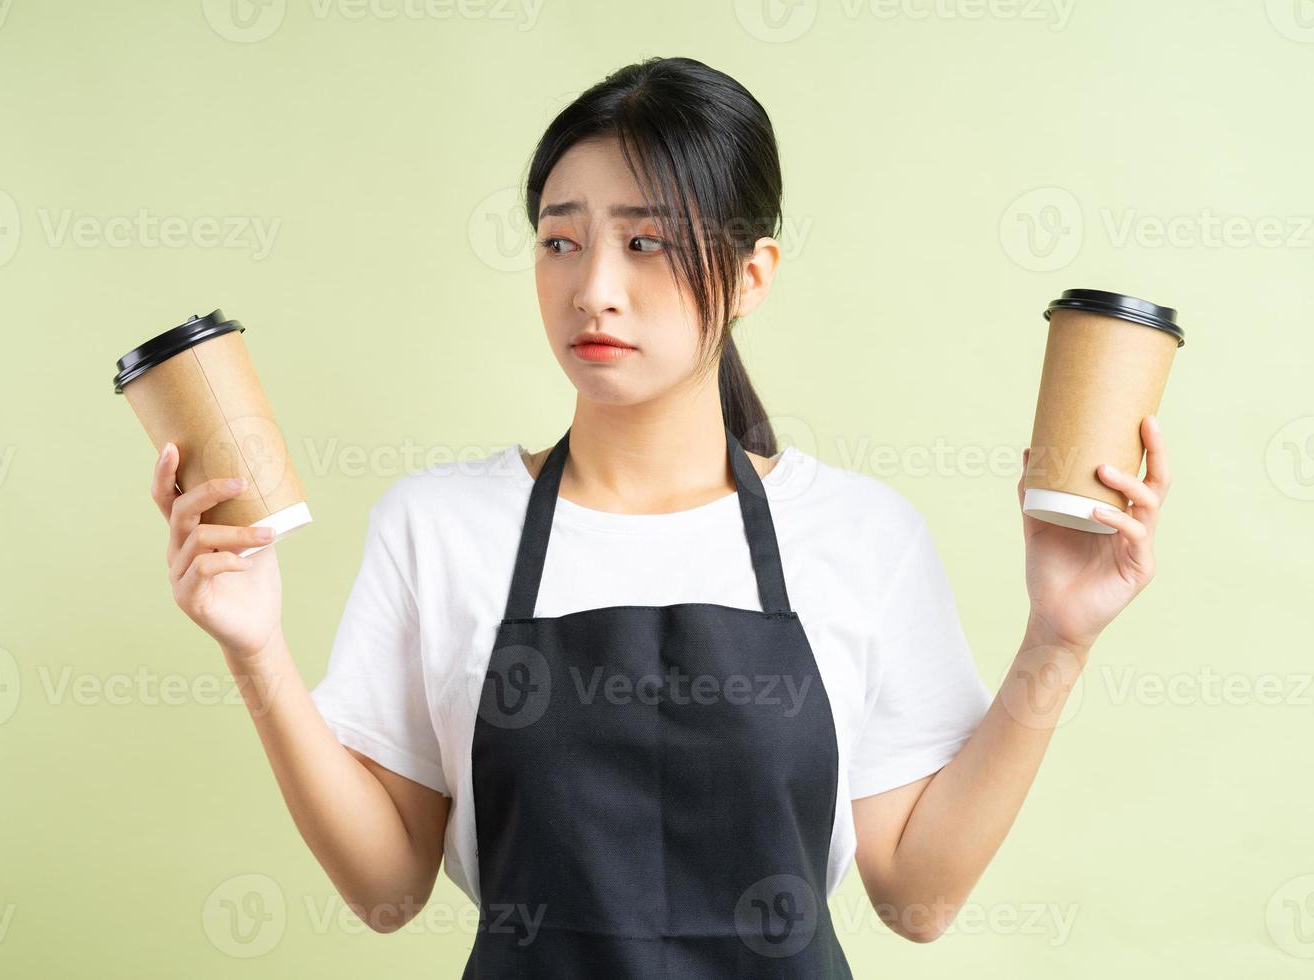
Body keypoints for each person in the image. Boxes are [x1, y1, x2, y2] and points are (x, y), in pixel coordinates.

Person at [147, 56, 1171, 977]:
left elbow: (918, 895)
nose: (594, 288)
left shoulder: (861, 533)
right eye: (561, 241)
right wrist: (256, 646)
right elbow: (387, 890)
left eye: (646, 241)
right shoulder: (438, 525)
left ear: (752, 275)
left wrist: (1059, 635)